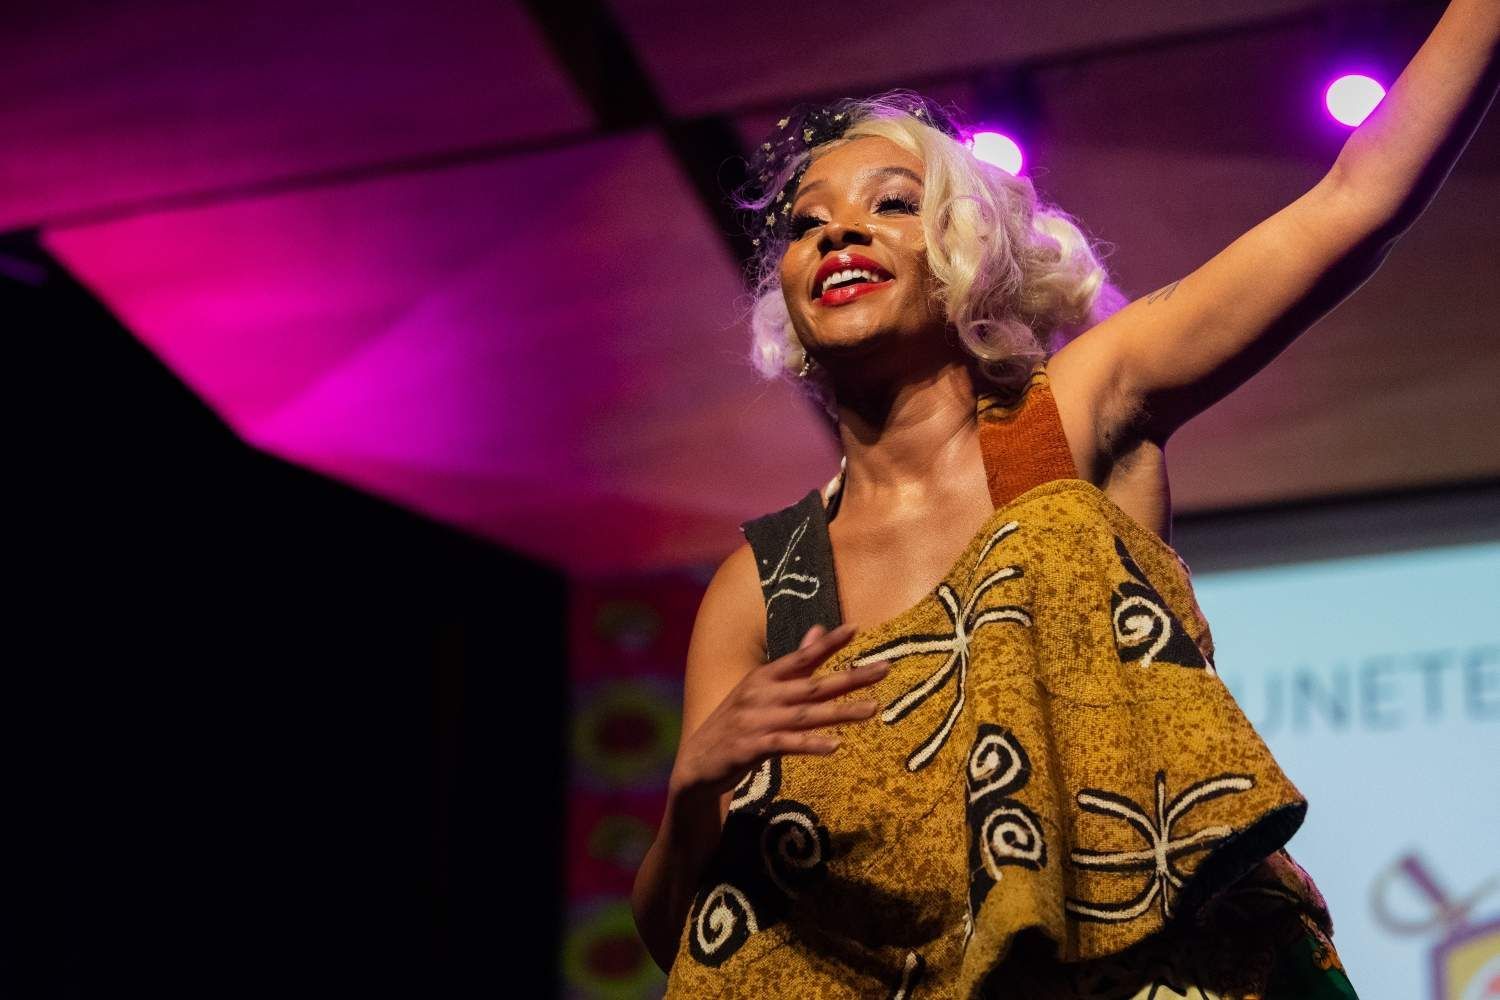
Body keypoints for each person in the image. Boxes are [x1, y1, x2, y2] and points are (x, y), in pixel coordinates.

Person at [632, 5, 1500, 996]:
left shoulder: (1075, 412)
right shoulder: (763, 586)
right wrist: (697, 789)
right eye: (805, 221)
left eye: (893, 204)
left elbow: (1360, 198)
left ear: (965, 248)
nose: (838, 228)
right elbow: (684, 939)